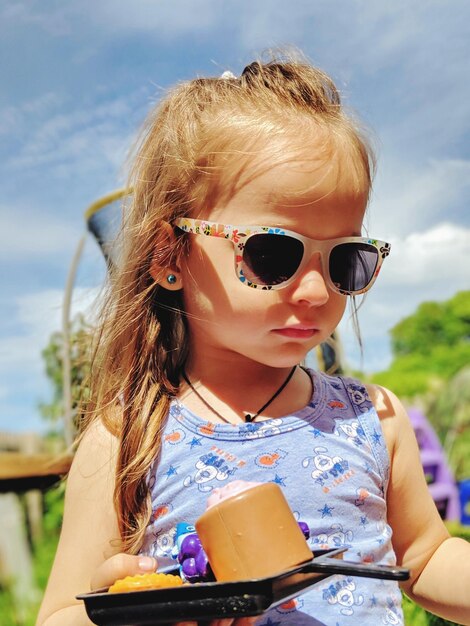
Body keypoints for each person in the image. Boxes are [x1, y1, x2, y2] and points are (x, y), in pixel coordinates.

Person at [37, 53, 470, 626]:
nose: (317, 292)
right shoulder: (127, 437)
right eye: (273, 252)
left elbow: (426, 556)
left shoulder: (374, 419)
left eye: (347, 260)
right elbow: (61, 614)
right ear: (169, 254)